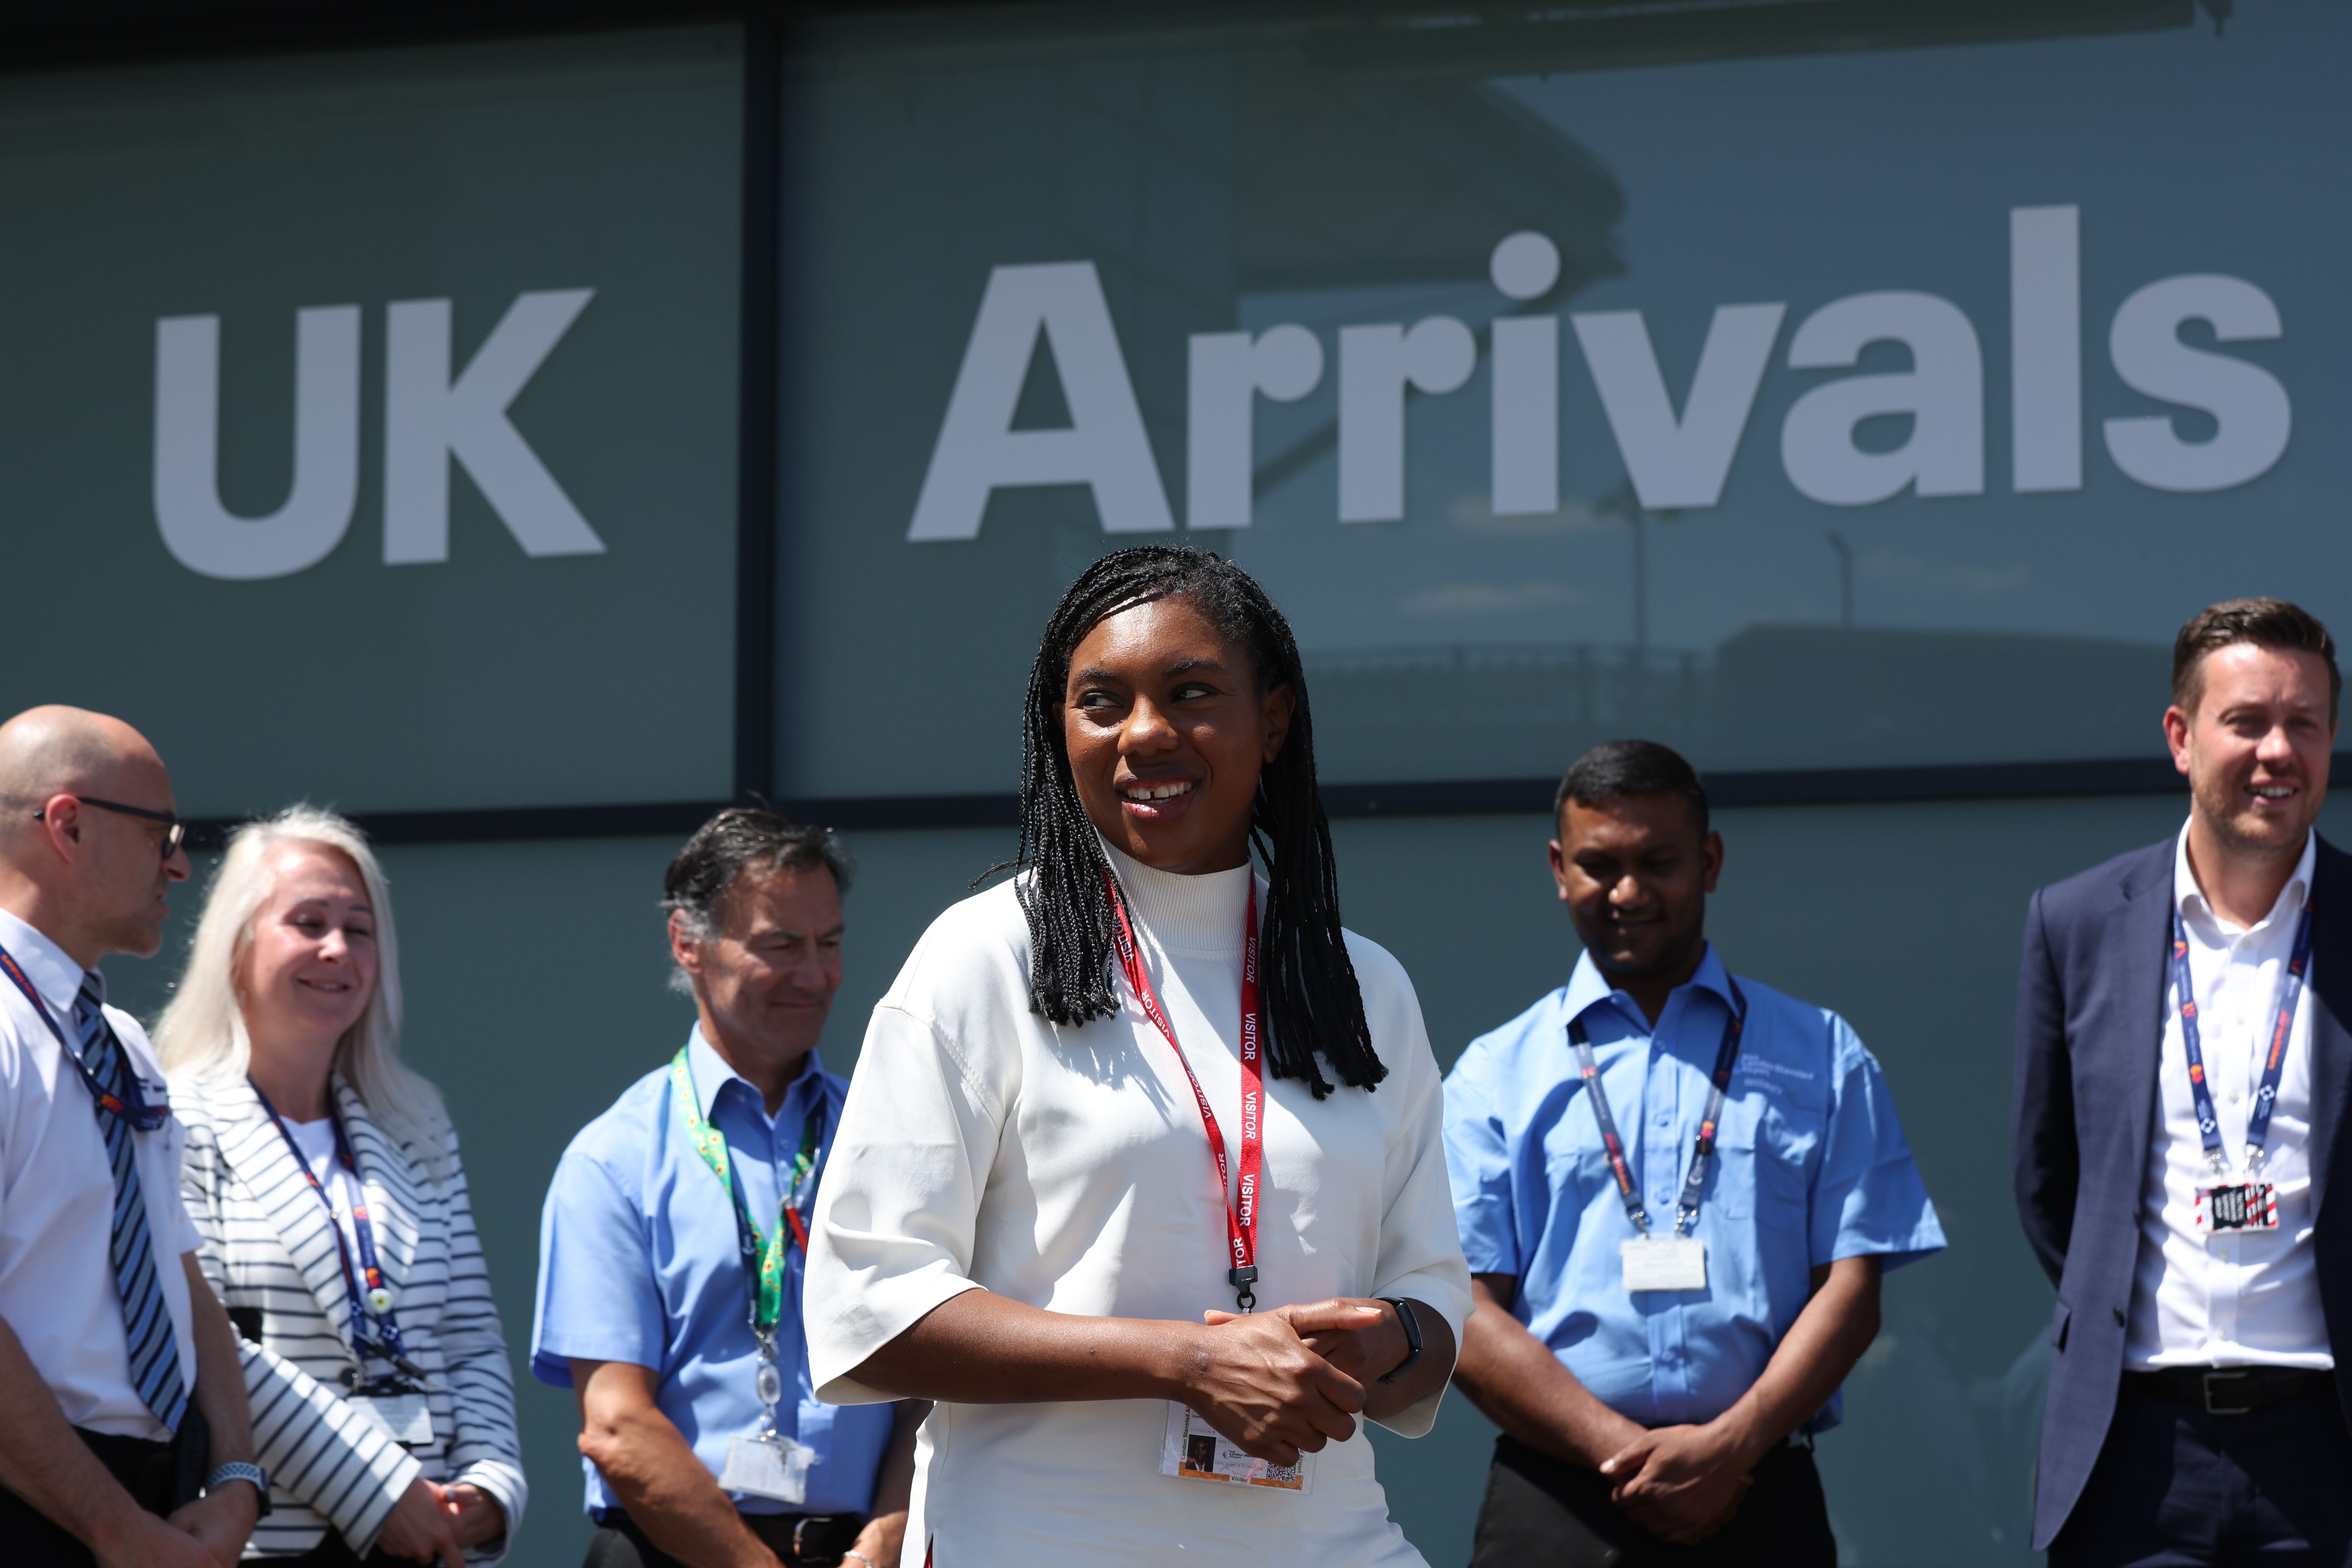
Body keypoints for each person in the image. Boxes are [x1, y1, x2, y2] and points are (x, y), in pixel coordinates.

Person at [800, 545, 1472, 1566]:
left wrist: (1398, 1337)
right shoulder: (986, 955)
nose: (1145, 732)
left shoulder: (1362, 984)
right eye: (1101, 701)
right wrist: (1188, 1360)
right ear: (1056, 728)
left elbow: (1433, 1296)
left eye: (1193, 692)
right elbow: (868, 1302)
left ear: (1276, 718)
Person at [1443, 738, 1945, 1566]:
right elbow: (1460, 1307)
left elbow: (1852, 1293)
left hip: (1756, 1489)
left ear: (1709, 861)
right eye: (1600, 865)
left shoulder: (1823, 1054)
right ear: (1558, 869)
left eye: (1659, 861)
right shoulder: (1495, 1074)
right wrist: (1626, 1453)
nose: (1629, 892)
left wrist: (1726, 1450)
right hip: (1560, 1503)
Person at [2016, 597, 2352, 1564]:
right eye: (2246, 720)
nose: (2276, 750)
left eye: (2305, 724)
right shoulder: (2074, 924)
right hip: (2136, 1449)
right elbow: (2049, 1184)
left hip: (2329, 1446)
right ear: (2181, 735)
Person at [532, 809, 921, 1568]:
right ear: (690, 944)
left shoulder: (887, 1135)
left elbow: (930, 1381)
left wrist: (887, 1539)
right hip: (672, 1552)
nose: (815, 975)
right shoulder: (615, 1161)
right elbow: (615, 1424)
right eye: (780, 945)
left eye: (830, 943)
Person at [157, 806, 527, 1565]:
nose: (338, 949)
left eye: (359, 929)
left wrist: (489, 1491)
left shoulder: (417, 1122)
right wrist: (378, 1494)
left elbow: (468, 1335)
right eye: (308, 921)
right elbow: (208, 1346)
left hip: (430, 1543)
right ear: (236, 946)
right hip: (269, 1542)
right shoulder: (173, 1119)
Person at [0, 704, 267, 1567]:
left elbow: (180, 1276)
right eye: (162, 833)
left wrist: (233, 1480)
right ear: (69, 825)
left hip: (149, 1508)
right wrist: (117, 1529)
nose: (182, 864)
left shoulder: (122, 1040)